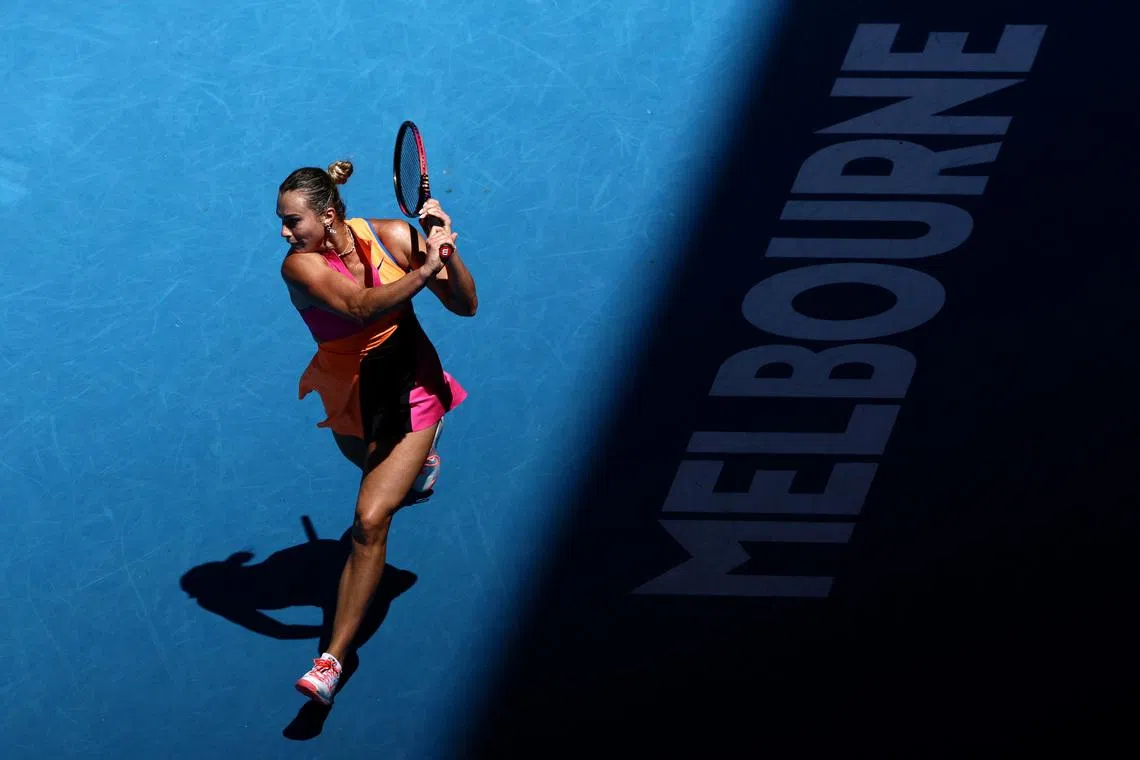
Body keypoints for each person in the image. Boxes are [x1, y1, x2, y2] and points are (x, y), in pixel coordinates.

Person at [276, 160, 478, 705]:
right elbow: (358, 306)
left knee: (369, 521)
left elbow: (465, 305)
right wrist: (422, 269)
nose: (285, 233)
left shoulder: (391, 236)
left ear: (328, 213)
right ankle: (418, 467)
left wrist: (446, 255)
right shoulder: (299, 268)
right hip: (348, 390)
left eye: (294, 221)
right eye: (283, 222)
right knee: (368, 465)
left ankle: (333, 659)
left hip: (411, 385)